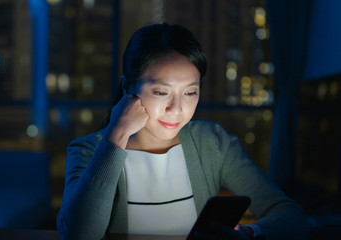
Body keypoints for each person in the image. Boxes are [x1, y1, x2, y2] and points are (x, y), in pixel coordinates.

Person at [57, 23, 309, 240]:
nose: (177, 109)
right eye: (160, 92)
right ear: (127, 87)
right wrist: (116, 135)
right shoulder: (89, 150)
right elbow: (78, 234)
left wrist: (249, 233)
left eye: (190, 93)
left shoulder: (212, 142)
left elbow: (291, 216)